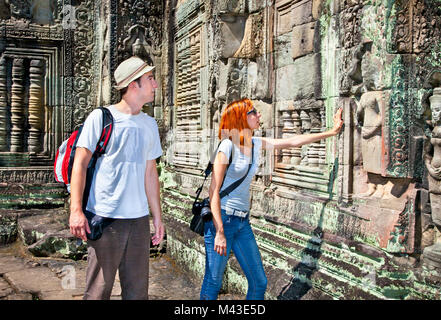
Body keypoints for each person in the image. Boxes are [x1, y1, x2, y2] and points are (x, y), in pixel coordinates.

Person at [200, 98, 343, 300]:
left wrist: (332, 132)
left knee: (259, 282)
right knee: (213, 281)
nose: (259, 116)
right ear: (242, 117)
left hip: (242, 222)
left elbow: (293, 141)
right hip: (222, 220)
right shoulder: (227, 146)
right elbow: (213, 190)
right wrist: (220, 232)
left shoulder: (256, 143)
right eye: (254, 112)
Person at [69, 56, 165, 300]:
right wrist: (76, 211)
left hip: (138, 221)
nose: (155, 85)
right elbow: (79, 164)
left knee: (137, 293)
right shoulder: (101, 118)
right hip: (105, 218)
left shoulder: (149, 124)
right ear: (134, 84)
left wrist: (157, 217)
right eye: (150, 79)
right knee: (98, 292)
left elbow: (150, 173)